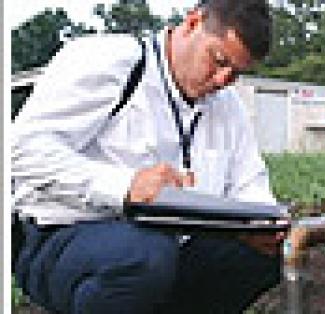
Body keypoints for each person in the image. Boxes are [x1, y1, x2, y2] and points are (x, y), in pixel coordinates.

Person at [12, 0, 284, 313]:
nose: (222, 80)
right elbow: (23, 149)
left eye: (236, 73)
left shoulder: (228, 106)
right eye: (218, 60)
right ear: (192, 22)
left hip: (170, 250)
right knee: (142, 257)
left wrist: (261, 226)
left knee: (255, 258)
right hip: (63, 240)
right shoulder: (113, 61)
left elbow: (248, 183)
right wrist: (124, 187)